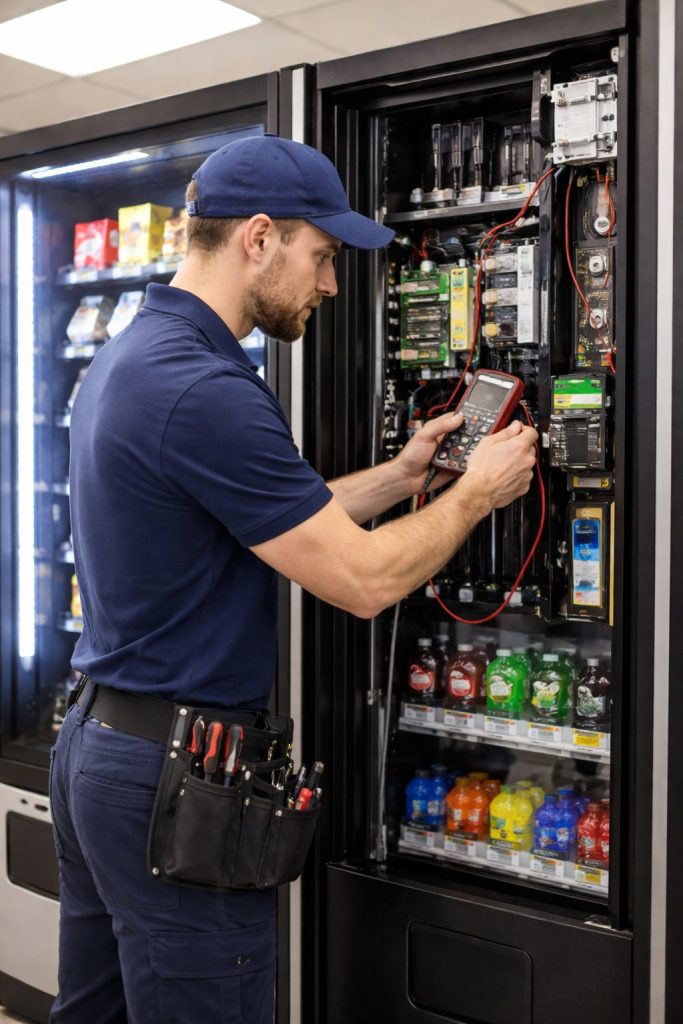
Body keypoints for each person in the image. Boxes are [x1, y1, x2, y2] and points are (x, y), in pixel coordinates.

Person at [49, 134, 537, 1024]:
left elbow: (276, 520)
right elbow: (358, 580)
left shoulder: (135, 354)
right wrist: (475, 495)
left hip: (104, 748)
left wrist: (402, 477)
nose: (329, 285)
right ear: (260, 237)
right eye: (321, 256)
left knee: (100, 1012)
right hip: (175, 781)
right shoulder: (207, 387)